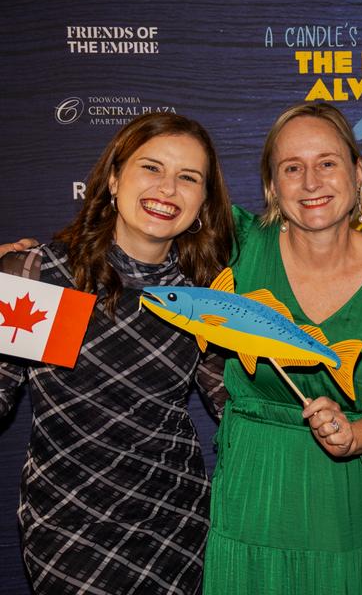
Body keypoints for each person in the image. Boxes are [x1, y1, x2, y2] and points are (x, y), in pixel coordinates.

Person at [201, 103, 362, 594]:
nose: (311, 182)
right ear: (272, 185)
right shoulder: (237, 244)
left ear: (357, 174)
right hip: (260, 496)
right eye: (292, 168)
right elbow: (149, 229)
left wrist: (357, 434)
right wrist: (38, 259)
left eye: (327, 163)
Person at [0, 112, 233, 593]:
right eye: (151, 168)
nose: (168, 188)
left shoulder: (201, 297)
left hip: (175, 525)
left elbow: (233, 407)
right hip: (67, 528)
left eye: (188, 178)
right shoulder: (48, 276)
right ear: (112, 179)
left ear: (203, 202)